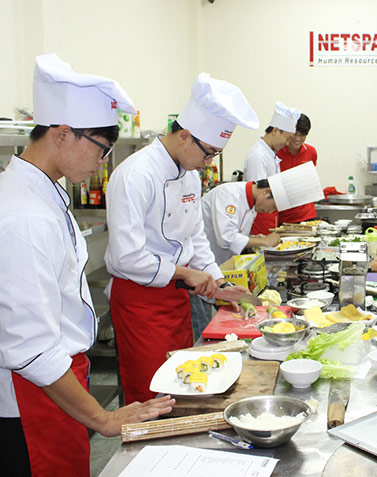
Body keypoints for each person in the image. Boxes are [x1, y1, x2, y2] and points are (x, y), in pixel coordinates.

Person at [0, 54, 174, 477]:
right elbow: (32, 349)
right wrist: (104, 419)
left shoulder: (44, 193)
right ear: (62, 134)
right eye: (102, 149)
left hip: (58, 380)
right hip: (32, 396)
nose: (103, 162)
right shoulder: (23, 215)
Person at [105, 73, 259, 404]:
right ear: (185, 136)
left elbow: (195, 238)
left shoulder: (189, 175)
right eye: (209, 153)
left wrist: (219, 284)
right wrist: (185, 273)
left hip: (177, 300)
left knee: (183, 385)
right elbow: (125, 256)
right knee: (150, 394)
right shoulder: (135, 174)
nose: (209, 163)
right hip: (140, 303)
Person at [203, 162, 325, 265]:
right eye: (273, 207)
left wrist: (254, 238)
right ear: (267, 192)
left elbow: (236, 234)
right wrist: (264, 241)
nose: (270, 212)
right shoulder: (228, 194)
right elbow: (226, 239)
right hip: (203, 262)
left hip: (221, 262)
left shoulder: (252, 203)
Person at [244, 101, 299, 235]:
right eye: (287, 138)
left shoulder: (270, 154)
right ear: (275, 131)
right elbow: (259, 196)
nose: (287, 144)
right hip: (259, 217)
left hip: (270, 215)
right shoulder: (258, 155)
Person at [277, 113, 319, 223]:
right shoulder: (277, 153)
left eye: (302, 135)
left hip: (307, 215)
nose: (297, 139)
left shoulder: (311, 152)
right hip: (284, 216)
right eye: (295, 134)